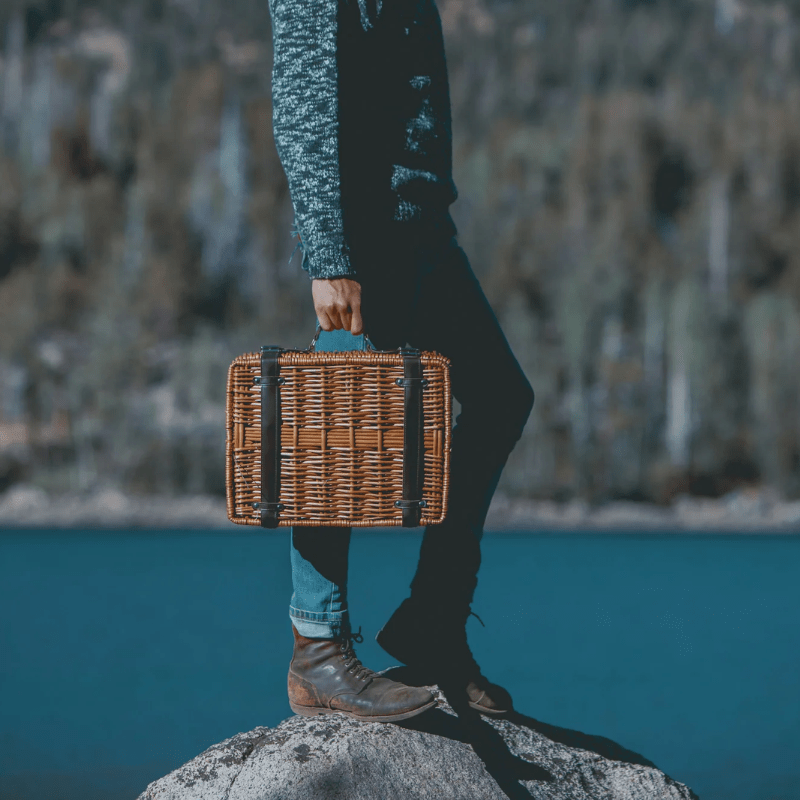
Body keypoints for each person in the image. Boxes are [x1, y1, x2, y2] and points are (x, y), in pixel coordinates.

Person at [268, 0, 535, 722]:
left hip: (421, 232)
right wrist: (328, 257)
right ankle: (318, 647)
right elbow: (301, 103)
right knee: (338, 428)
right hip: (365, 235)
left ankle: (433, 621)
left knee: (501, 397)